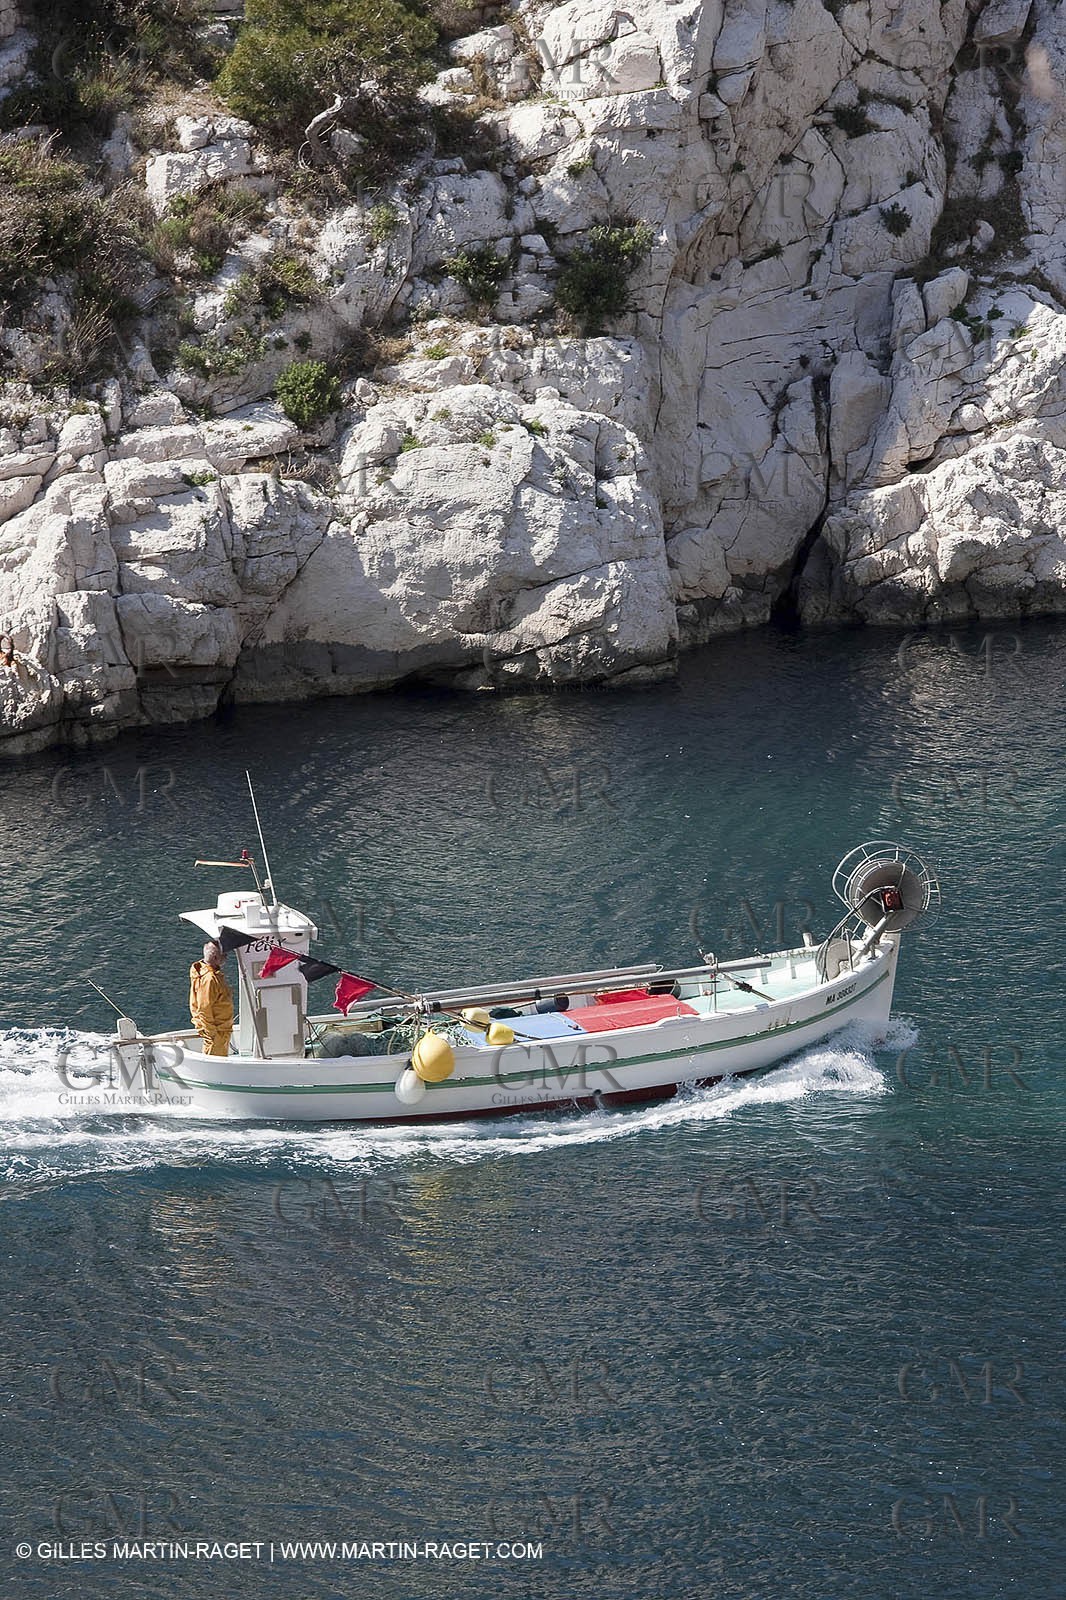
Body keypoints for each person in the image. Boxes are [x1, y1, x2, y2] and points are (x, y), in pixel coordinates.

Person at [189, 940, 234, 1057]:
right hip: (217, 1031)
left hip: (221, 1029)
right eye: (224, 955)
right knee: (217, 1060)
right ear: (215, 957)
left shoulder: (207, 973)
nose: (226, 957)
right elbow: (204, 1009)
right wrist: (213, 1034)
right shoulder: (209, 979)